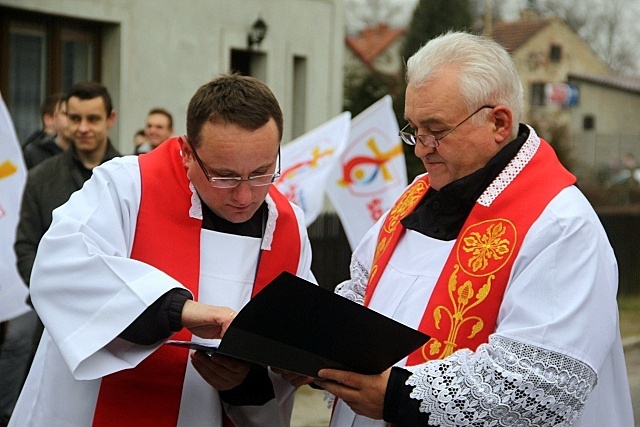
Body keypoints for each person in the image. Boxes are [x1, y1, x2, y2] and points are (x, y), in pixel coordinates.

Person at [316, 32, 634, 427]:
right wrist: (313, 347)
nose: (419, 148)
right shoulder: (414, 198)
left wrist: (397, 396)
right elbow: (365, 291)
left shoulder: (561, 227)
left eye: (435, 130)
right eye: (414, 128)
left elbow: (538, 387)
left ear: (498, 122)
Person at [9, 74, 315, 427]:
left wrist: (245, 381)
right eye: (224, 176)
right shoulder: (126, 187)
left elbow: (286, 359)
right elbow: (58, 270)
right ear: (187, 152)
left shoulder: (289, 228)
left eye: (262, 172)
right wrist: (176, 310)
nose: (244, 195)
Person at [2, 82, 122, 426]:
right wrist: (49, 292)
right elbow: (25, 245)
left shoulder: (131, 175)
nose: (83, 128)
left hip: (115, 320)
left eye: (93, 118)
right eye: (75, 118)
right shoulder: (40, 178)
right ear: (62, 119)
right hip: (54, 322)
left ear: (110, 119)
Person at [21, 93, 71, 168]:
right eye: (66, 114)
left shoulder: (87, 154)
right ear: (55, 116)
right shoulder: (33, 153)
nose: (71, 120)